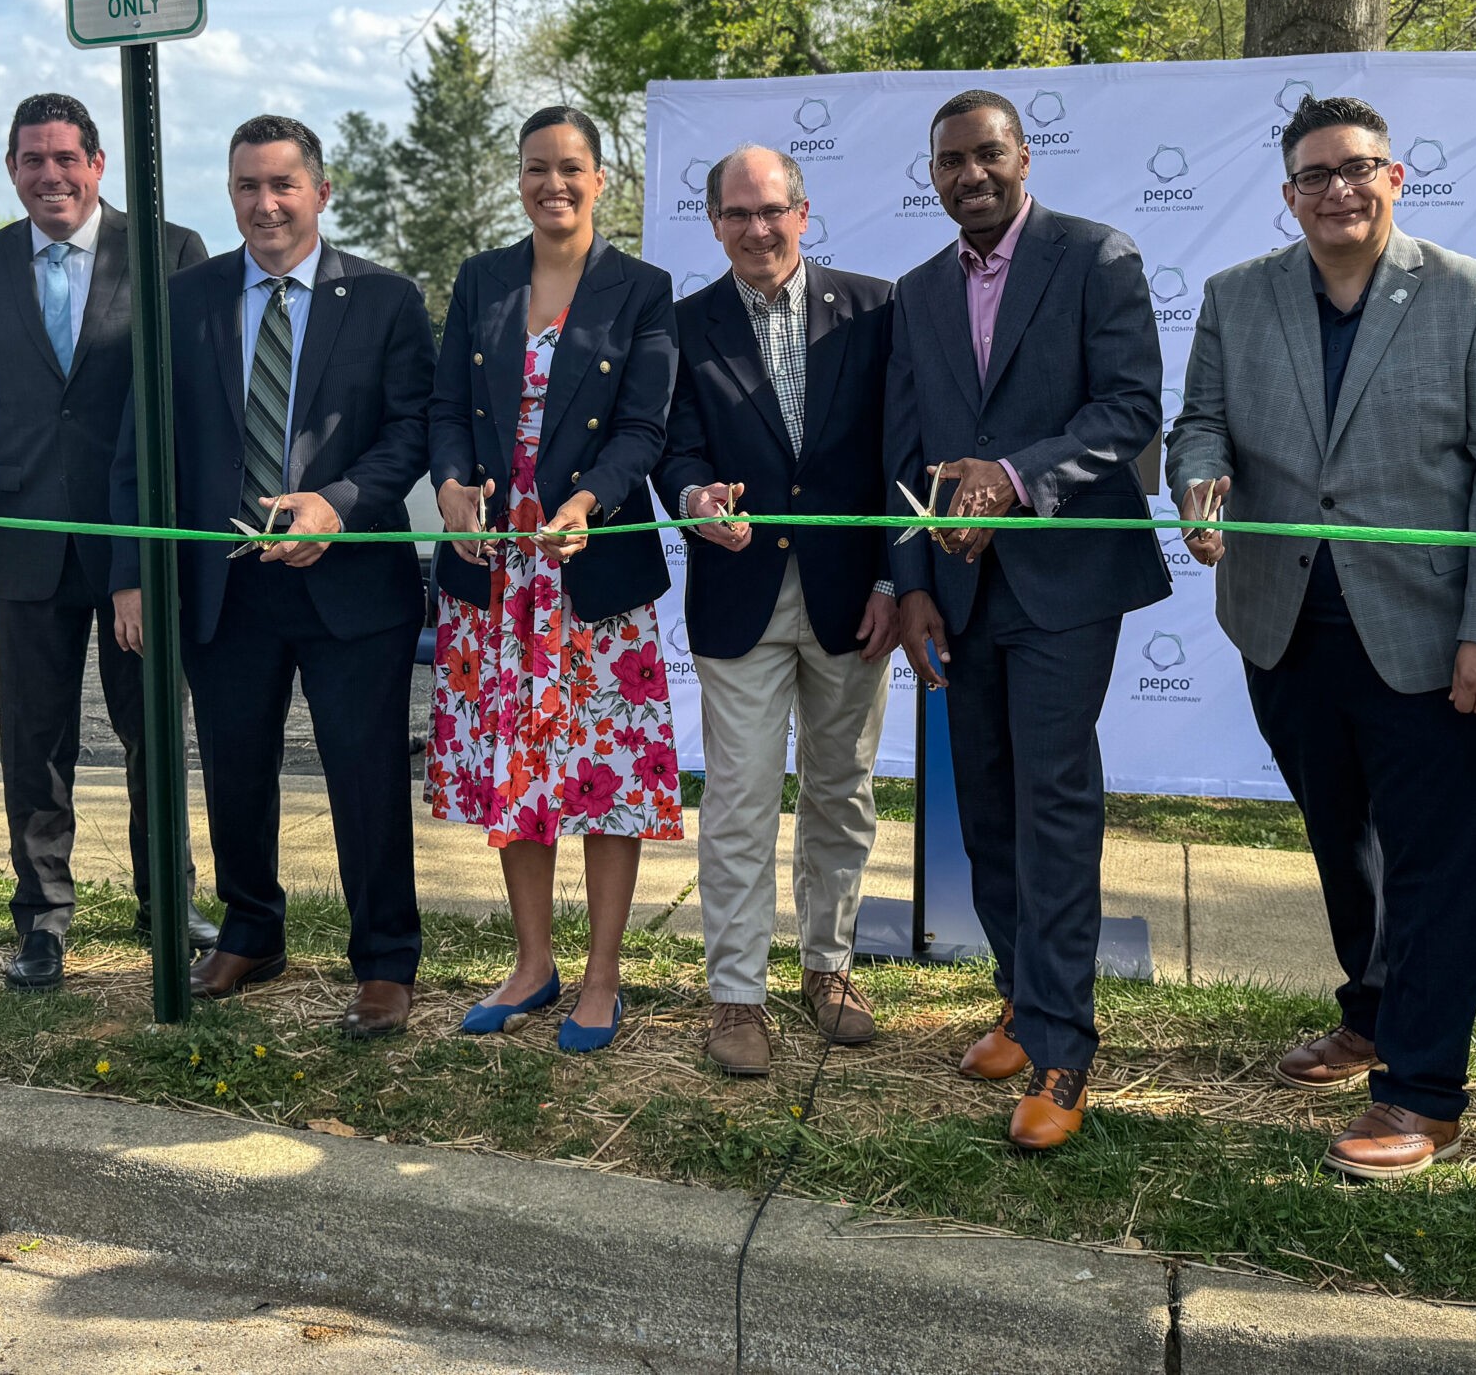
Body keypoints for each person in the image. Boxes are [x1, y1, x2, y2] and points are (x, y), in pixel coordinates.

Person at [1166, 94, 1476, 1179]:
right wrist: (1197, 481)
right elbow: (1197, 420)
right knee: (1345, 840)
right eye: (1315, 175)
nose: (1338, 189)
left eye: (1357, 168)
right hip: (1281, 626)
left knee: (1441, 864)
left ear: (1396, 177)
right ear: (1288, 196)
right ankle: (1369, 1014)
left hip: (1432, 635)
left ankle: (1422, 1094)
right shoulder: (1239, 297)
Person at [886, 88, 1169, 1151]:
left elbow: (1131, 410)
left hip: (1063, 585)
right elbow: (900, 447)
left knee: (1053, 804)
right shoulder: (918, 293)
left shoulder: (1096, 259)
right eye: (950, 161)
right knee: (986, 807)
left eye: (987, 155)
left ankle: (1062, 1048)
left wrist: (1012, 476)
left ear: (1023, 157)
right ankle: (1017, 994)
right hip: (956, 597)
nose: (970, 174)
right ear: (933, 175)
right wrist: (909, 578)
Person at [111, 115, 434, 1034]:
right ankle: (251, 929)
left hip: (351, 584)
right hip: (226, 585)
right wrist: (132, 572)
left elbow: (410, 430)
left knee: (365, 776)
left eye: (283, 185)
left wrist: (339, 501)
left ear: (320, 192)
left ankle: (383, 960)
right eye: (247, 186)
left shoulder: (384, 298)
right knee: (235, 770)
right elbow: (141, 445)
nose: (265, 204)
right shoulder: (184, 299)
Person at [0, 93, 214, 991]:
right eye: (31, 160)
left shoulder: (170, 253)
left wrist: (145, 554)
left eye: (65, 158)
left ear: (97, 165)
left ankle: (168, 898)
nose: (49, 175)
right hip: (27, 542)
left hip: (136, 542)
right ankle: (43, 917)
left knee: (151, 730)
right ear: (12, 170)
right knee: (35, 739)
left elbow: (183, 404)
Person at [428, 106, 680, 1053]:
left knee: (607, 777)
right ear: (519, 178)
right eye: (537, 168)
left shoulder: (642, 288)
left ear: (600, 178)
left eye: (571, 168)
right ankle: (533, 965)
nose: (553, 184)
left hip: (591, 572)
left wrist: (590, 504)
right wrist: (453, 487)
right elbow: (445, 405)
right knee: (515, 770)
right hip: (496, 581)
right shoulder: (482, 278)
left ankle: (604, 975)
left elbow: (645, 430)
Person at [655, 144, 895, 1075]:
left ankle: (828, 965)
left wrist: (889, 579)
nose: (757, 229)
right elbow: (671, 449)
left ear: (805, 209)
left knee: (843, 792)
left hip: (853, 601)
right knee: (742, 803)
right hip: (738, 595)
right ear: (714, 223)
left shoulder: (876, 309)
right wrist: (692, 498)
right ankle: (736, 995)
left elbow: (899, 452)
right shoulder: (681, 326)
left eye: (773, 210)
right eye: (737, 214)